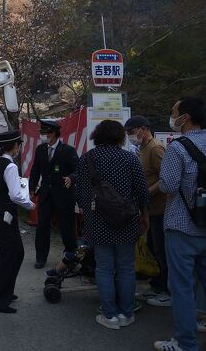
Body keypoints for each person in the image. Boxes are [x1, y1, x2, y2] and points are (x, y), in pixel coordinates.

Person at [75, 120, 148, 330]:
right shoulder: (129, 158)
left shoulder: (87, 159)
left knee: (104, 268)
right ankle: (126, 313)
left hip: (98, 221)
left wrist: (88, 211)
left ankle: (110, 316)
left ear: (96, 136)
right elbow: (142, 192)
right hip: (126, 220)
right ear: (120, 137)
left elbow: (79, 194)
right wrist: (145, 217)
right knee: (126, 267)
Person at [154, 96, 206, 351]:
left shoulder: (178, 148)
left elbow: (168, 185)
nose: (171, 115)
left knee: (182, 287)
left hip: (182, 226)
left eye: (174, 111)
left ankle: (185, 342)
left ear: (185, 117)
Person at [0, 130, 36, 313]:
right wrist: (31, 205)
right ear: (15, 146)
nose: (19, 148)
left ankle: (6, 291)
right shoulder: (11, 167)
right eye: (19, 145)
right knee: (10, 255)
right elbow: (15, 195)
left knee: (15, 252)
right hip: (6, 214)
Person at [124, 115, 170, 308]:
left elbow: (165, 179)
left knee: (161, 250)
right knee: (152, 248)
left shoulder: (155, 148)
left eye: (132, 132)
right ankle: (156, 284)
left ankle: (166, 291)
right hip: (149, 210)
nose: (130, 136)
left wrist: (146, 193)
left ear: (143, 129)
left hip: (159, 209)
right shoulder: (141, 149)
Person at [29, 119, 79, 269]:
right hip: (46, 194)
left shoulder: (68, 150)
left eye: (48, 132)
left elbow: (78, 169)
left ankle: (70, 255)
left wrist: (71, 177)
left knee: (67, 227)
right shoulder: (40, 149)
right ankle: (41, 257)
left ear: (56, 133)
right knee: (42, 226)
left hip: (64, 195)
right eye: (43, 133)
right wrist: (31, 188)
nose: (45, 135)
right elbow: (35, 170)